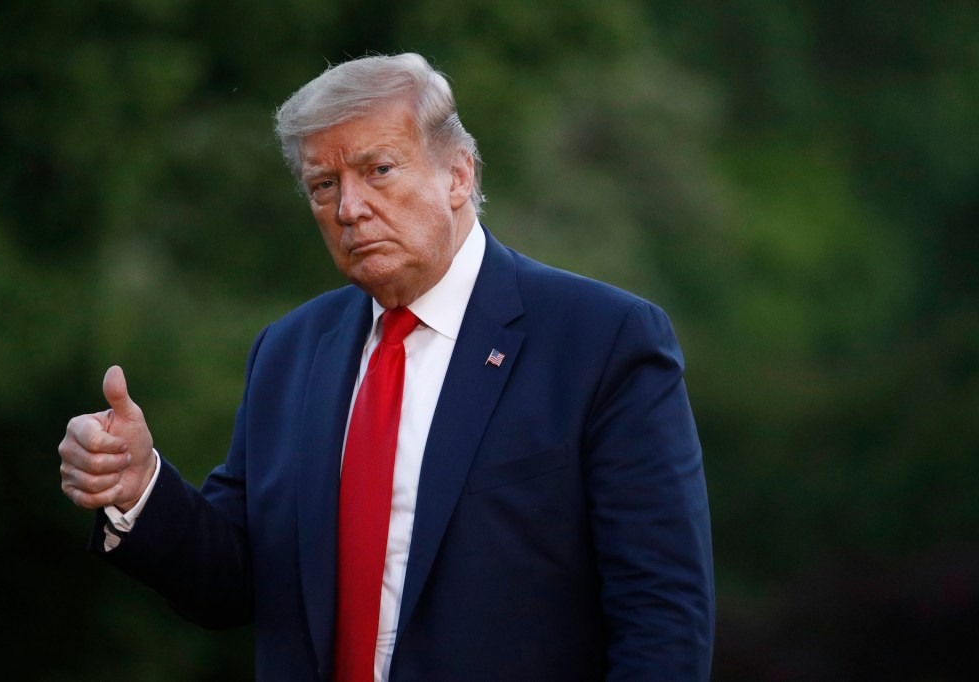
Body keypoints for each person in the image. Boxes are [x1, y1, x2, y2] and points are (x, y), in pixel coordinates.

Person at [58, 53, 715, 681]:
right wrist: (139, 487)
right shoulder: (288, 352)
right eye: (324, 185)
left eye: (377, 170)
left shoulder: (601, 340)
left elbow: (662, 614)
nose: (349, 208)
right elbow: (233, 582)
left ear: (458, 175)